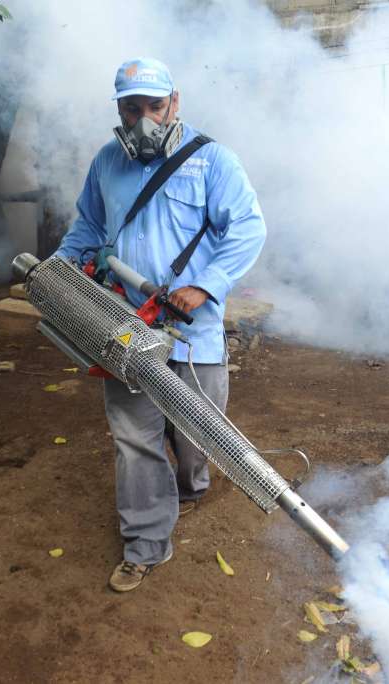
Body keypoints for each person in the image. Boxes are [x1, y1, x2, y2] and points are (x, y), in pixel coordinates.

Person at [55, 57, 267, 592]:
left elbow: (247, 227)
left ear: (176, 101)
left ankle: (192, 485)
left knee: (199, 429)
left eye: (155, 106)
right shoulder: (108, 161)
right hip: (126, 324)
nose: (144, 119)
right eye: (132, 108)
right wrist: (55, 276)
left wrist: (207, 285)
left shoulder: (212, 160)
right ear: (120, 109)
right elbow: (87, 226)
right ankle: (146, 542)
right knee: (135, 437)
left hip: (192, 327)